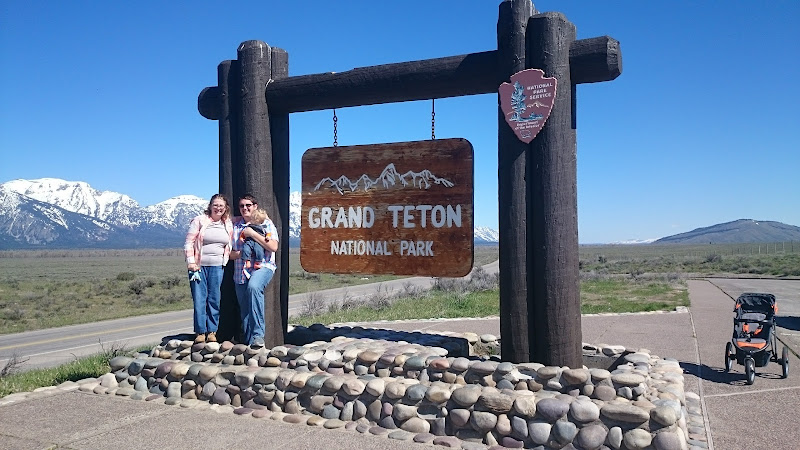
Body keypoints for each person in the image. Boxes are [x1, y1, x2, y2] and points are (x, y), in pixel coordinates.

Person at [230, 194, 278, 348]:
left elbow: (273, 246)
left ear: (255, 206)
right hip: (240, 271)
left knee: (254, 287)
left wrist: (252, 234)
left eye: (248, 205)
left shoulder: (266, 223)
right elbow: (229, 254)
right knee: (245, 309)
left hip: (263, 266)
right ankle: (250, 344)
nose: (245, 208)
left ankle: (258, 336)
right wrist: (243, 254)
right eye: (242, 206)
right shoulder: (235, 227)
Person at [184, 194, 233, 344]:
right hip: (198, 267)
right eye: (215, 205)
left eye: (221, 205)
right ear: (210, 206)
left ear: (225, 208)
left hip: (217, 266)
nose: (218, 208)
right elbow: (189, 242)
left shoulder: (228, 223)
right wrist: (191, 262)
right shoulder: (199, 221)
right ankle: (200, 331)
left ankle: (212, 331)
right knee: (200, 299)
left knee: (214, 299)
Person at [239, 208, 271, 279]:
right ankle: (247, 261)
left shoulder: (264, 227)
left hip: (258, 242)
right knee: (246, 249)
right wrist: (241, 237)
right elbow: (244, 232)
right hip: (249, 241)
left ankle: (257, 262)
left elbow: (268, 233)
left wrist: (268, 237)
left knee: (259, 251)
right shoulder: (249, 225)